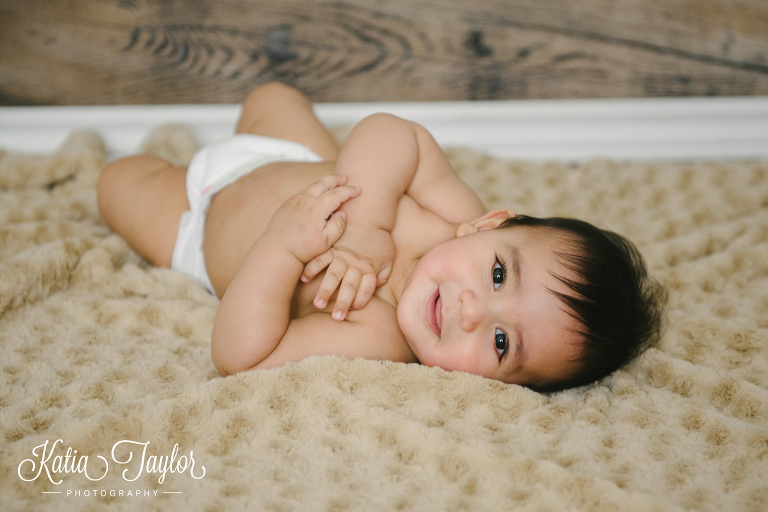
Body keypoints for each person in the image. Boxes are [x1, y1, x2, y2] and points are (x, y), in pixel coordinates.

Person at [97, 83, 666, 392]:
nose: (472, 310)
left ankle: (165, 172)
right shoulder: (452, 215)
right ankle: (258, 119)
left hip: (198, 227)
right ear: (491, 224)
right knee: (274, 95)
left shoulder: (377, 333)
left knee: (115, 182)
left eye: (500, 344)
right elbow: (392, 133)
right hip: (293, 158)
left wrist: (281, 247)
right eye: (498, 275)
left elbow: (242, 359)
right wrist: (367, 226)